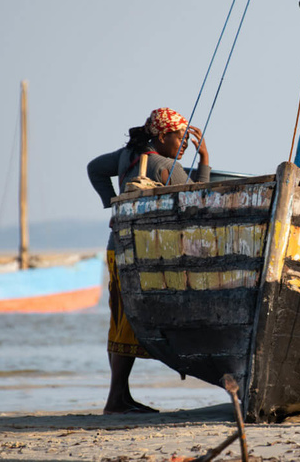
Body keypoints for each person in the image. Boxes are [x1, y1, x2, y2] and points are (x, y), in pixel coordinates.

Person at [87, 107, 211, 414]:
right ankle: (116, 400)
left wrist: (112, 203)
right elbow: (199, 199)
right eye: (180, 136)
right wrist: (205, 160)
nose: (184, 143)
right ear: (162, 136)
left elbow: (94, 168)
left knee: (120, 319)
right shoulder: (166, 167)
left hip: (117, 249)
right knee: (127, 322)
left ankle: (120, 396)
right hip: (142, 256)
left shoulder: (127, 155)